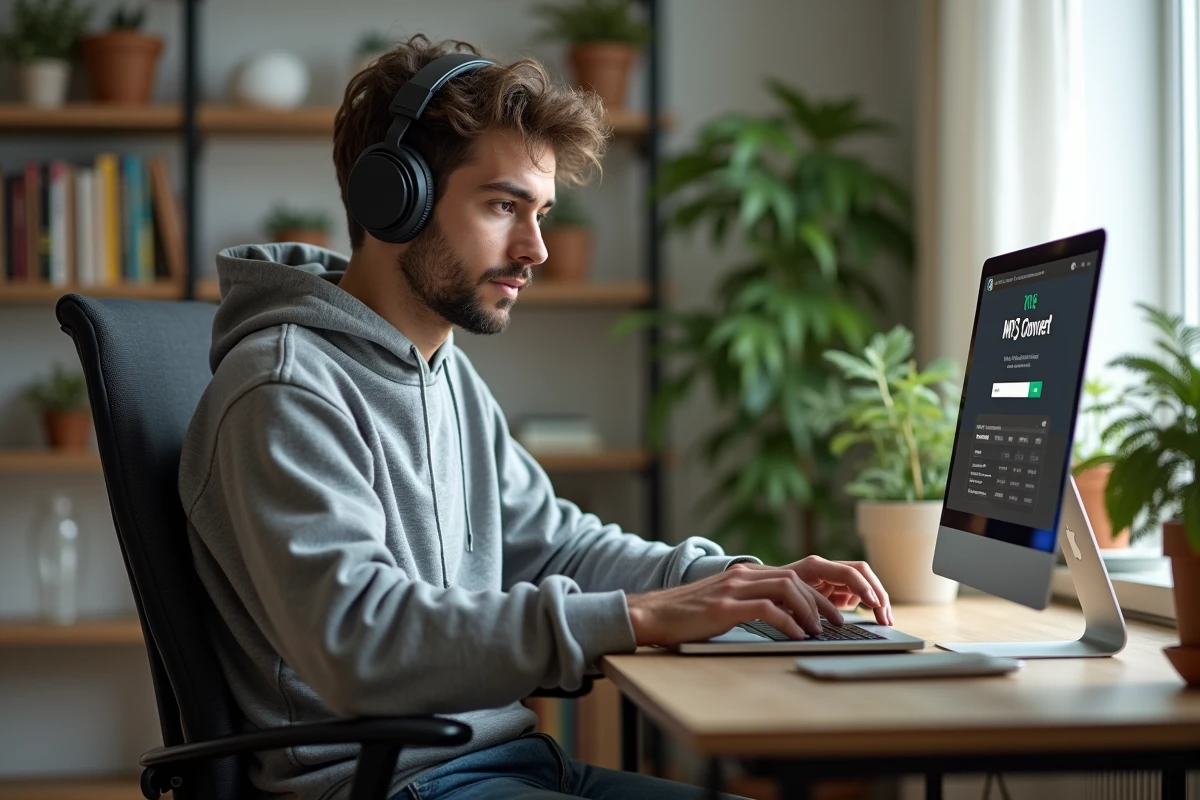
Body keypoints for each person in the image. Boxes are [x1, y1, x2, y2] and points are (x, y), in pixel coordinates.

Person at [178, 34, 894, 800]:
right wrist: (641, 617)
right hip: (393, 785)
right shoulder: (286, 388)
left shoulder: (445, 374)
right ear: (393, 199)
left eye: (542, 212)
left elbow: (556, 547)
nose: (537, 249)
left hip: (507, 764)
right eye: (503, 206)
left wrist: (728, 582)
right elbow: (361, 642)